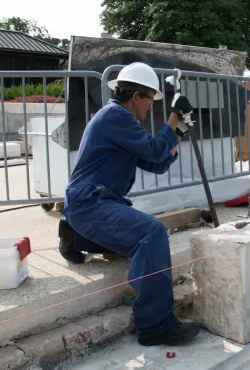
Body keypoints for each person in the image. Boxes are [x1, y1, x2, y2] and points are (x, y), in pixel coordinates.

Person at [59, 62, 200, 347]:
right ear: (135, 95)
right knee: (152, 233)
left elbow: (156, 162)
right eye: (149, 99)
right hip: (91, 202)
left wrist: (179, 131)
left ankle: (77, 236)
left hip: (93, 203)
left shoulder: (123, 122)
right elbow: (155, 149)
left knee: (140, 244)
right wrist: (174, 117)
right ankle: (155, 326)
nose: (150, 106)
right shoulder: (114, 116)